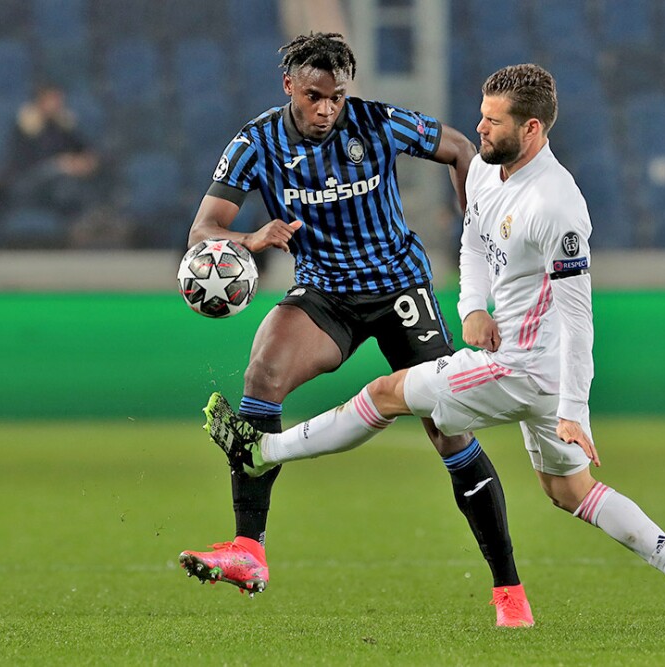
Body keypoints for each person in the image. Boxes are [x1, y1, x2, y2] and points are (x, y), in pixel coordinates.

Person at [214, 64, 665, 636]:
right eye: (480, 113)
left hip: (525, 370)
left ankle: (265, 453)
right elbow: (474, 240)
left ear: (531, 131)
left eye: (492, 121)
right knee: (571, 491)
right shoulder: (484, 170)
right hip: (519, 364)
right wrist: (472, 308)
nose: (477, 127)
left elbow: (579, 317)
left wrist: (574, 409)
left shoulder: (557, 206)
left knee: (385, 394)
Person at [178, 34, 532, 627]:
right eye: (315, 96)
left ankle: (509, 593)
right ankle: (248, 550)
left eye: (337, 97)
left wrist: (478, 228)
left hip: (400, 289)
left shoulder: (377, 123)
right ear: (289, 86)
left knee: (448, 431)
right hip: (326, 294)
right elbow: (203, 230)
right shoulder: (255, 142)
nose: (326, 110)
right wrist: (250, 239)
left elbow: (459, 147)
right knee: (263, 369)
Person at [0, 84, 101, 225]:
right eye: (53, 100)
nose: (57, 104)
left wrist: (85, 162)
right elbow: (22, 164)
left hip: (58, 183)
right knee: (66, 185)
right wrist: (60, 165)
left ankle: (88, 223)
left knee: (71, 188)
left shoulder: (62, 125)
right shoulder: (25, 128)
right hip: (28, 183)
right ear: (41, 102)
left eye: (59, 100)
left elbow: (83, 149)